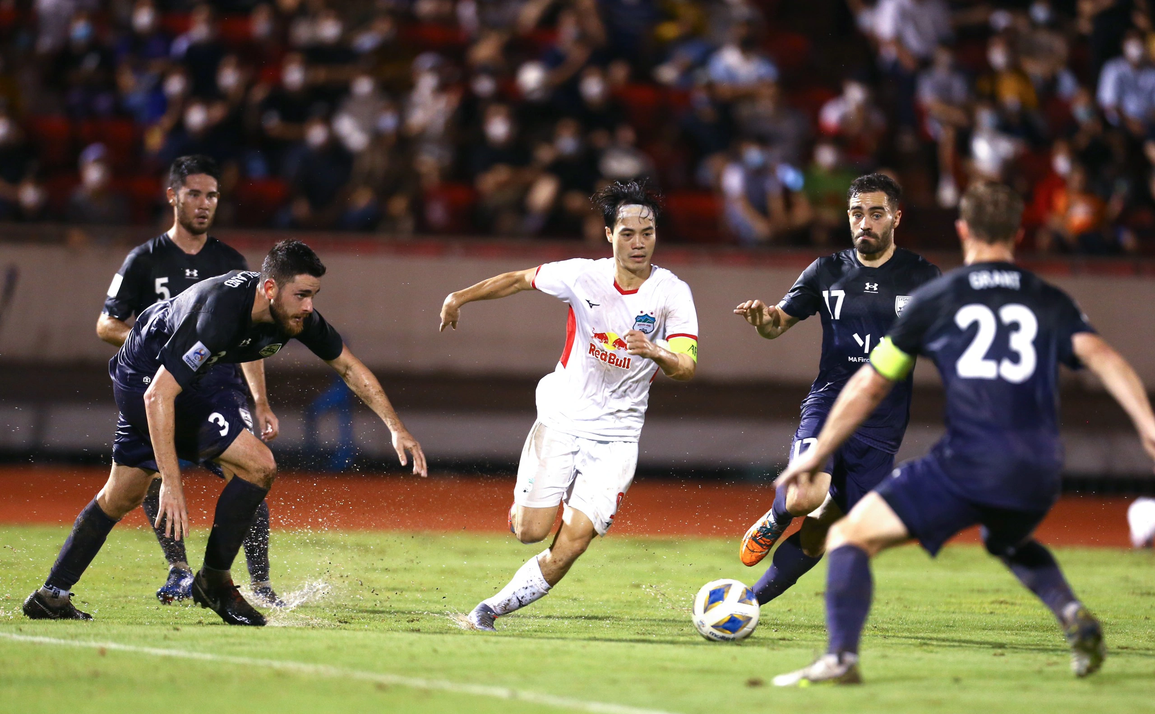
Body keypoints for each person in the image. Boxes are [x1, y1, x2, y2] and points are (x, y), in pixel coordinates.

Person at [771, 182, 1155, 686]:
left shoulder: (939, 297)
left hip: (968, 463)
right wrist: (1148, 427)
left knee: (847, 537)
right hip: (1040, 468)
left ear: (963, 230)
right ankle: (1071, 612)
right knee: (1007, 538)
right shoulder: (1048, 297)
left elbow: (869, 383)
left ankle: (841, 658)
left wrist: (816, 452)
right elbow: (1102, 357)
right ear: (1018, 232)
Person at [24, 240, 427, 626]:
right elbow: (157, 396)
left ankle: (51, 595)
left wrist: (397, 428)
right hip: (146, 375)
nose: (309, 306)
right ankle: (214, 582)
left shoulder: (292, 315)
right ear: (270, 288)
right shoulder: (216, 315)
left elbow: (349, 368)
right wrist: (171, 482)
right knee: (258, 465)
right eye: (302, 295)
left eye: (313, 295)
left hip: (191, 377)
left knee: (122, 494)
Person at [438, 180, 698, 631]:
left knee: (574, 542)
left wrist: (657, 352)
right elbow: (519, 279)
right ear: (608, 235)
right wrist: (460, 296)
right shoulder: (582, 275)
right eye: (628, 233)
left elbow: (687, 366)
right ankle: (532, 500)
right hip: (563, 416)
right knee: (530, 532)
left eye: (648, 233)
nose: (639, 243)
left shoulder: (672, 293)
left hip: (618, 436)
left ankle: (489, 609)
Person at [734, 174, 940, 610]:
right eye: (856, 213)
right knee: (803, 499)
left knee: (819, 533)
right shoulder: (826, 270)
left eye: (876, 213)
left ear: (895, 218)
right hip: (830, 402)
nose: (865, 222)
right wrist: (762, 320)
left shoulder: (923, 276)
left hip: (882, 424)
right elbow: (776, 325)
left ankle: (746, 605)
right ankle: (775, 517)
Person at [97, 155, 285, 606]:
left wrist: (260, 399)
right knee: (153, 474)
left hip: (220, 387)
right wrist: (153, 344)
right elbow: (107, 324)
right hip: (166, 385)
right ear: (173, 197)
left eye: (212, 196)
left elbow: (254, 337)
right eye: (195, 194)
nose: (204, 204)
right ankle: (179, 570)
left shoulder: (230, 260)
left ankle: (259, 583)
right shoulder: (143, 259)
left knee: (251, 470)